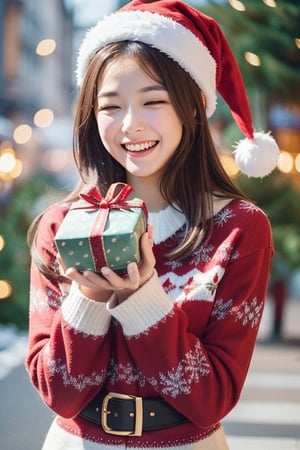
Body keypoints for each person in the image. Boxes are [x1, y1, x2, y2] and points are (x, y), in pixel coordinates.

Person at [26, 1, 279, 449]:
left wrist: (140, 298)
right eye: (110, 106)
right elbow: (59, 393)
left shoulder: (238, 230)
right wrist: (89, 296)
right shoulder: (61, 226)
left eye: (153, 101)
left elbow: (212, 399)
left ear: (193, 106)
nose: (130, 124)